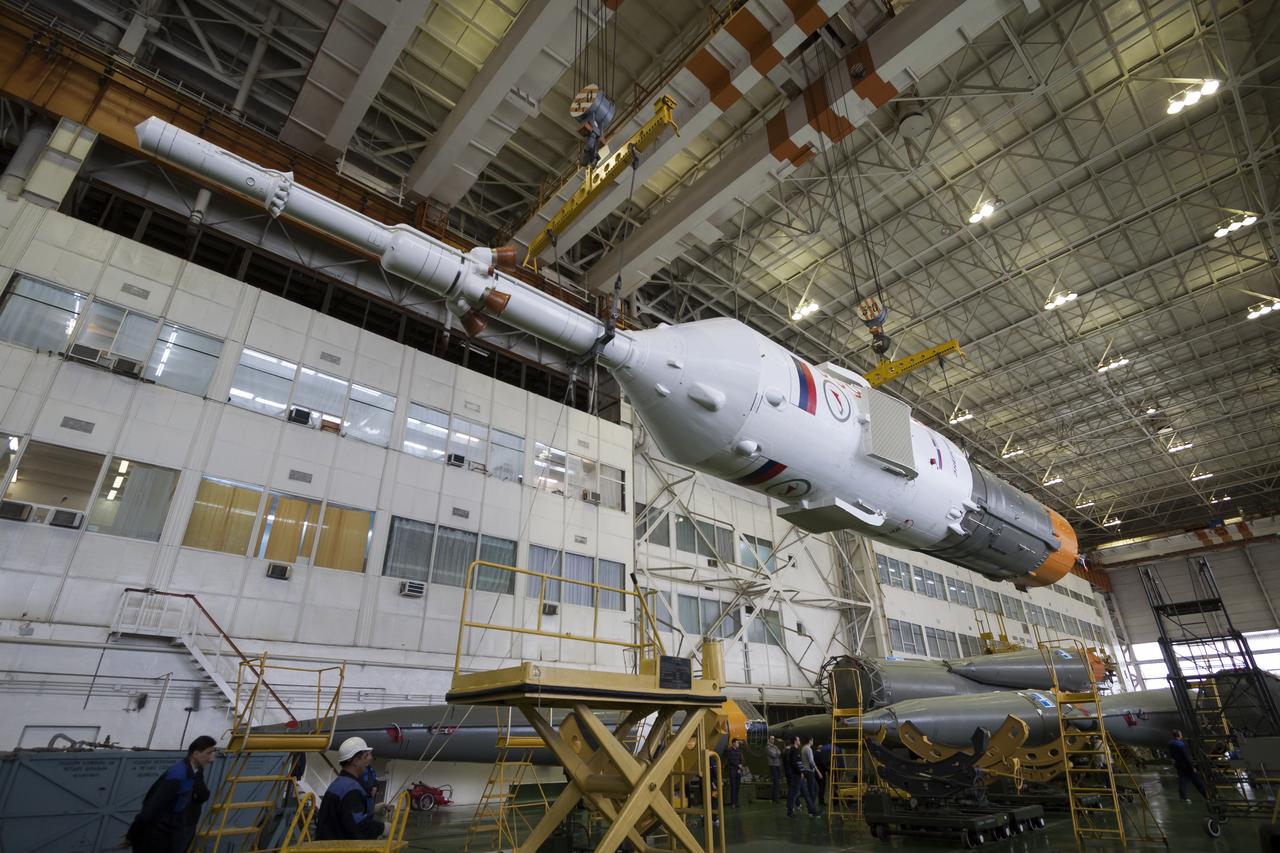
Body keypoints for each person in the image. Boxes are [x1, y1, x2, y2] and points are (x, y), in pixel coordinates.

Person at [127, 735, 216, 853]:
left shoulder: (195, 770)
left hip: (176, 830)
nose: (212, 759)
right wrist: (134, 834)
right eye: (208, 753)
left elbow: (203, 795)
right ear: (195, 754)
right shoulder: (178, 775)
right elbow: (153, 806)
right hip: (160, 835)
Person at [316, 737, 385, 840]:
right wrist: (383, 828)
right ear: (356, 761)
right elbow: (358, 828)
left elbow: (345, 815)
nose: (370, 758)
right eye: (366, 756)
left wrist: (373, 809)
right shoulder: (351, 790)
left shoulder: (340, 783)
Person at [1168, 729, 1207, 802]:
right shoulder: (1181, 745)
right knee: (1197, 781)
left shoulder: (1171, 743)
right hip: (1187, 766)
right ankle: (1206, 795)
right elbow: (1187, 757)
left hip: (1179, 765)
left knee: (1182, 781)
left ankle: (1183, 797)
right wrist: (1192, 767)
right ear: (1179, 735)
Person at [785, 736, 819, 818]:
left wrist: (802, 772)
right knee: (794, 793)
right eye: (798, 740)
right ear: (795, 741)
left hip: (800, 775)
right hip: (796, 775)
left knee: (806, 793)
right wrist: (800, 772)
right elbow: (794, 763)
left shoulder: (796, 750)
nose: (799, 741)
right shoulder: (793, 750)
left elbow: (798, 762)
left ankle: (812, 810)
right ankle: (790, 812)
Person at [801, 736, 823, 816]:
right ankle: (811, 810)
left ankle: (811, 808)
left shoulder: (803, 748)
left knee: (815, 789)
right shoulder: (808, 749)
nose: (813, 742)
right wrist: (818, 772)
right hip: (810, 772)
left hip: (806, 771)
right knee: (813, 791)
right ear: (810, 741)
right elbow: (811, 762)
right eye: (812, 740)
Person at [723, 738, 743, 808]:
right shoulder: (729, 751)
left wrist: (740, 767)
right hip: (732, 770)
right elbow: (730, 760)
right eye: (737, 743)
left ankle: (737, 802)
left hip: (738, 771)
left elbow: (740, 759)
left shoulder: (739, 751)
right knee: (733, 787)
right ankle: (733, 803)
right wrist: (737, 765)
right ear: (733, 743)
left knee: (737, 787)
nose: (738, 744)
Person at [765, 736, 782, 802]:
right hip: (773, 765)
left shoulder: (775, 746)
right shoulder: (767, 747)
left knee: (777, 782)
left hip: (777, 765)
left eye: (774, 739)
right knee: (776, 781)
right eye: (771, 739)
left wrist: (777, 753)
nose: (773, 740)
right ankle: (775, 798)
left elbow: (779, 752)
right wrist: (777, 753)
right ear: (769, 739)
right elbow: (773, 755)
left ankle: (775, 797)